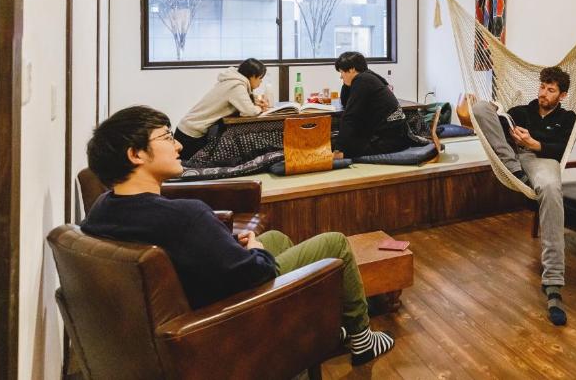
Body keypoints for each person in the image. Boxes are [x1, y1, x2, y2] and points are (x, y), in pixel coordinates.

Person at [82, 106, 394, 366]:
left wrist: (235, 245)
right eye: (166, 138)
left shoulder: (101, 210)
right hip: (223, 316)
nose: (178, 145)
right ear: (136, 154)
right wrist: (254, 250)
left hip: (186, 300)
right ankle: (362, 340)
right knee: (335, 243)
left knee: (277, 239)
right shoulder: (185, 216)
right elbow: (256, 272)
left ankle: (312, 324)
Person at [469, 66, 576, 326]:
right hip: (514, 159)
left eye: (550, 90)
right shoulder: (522, 111)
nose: (543, 93)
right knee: (481, 108)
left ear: (562, 95)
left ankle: (552, 282)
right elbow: (495, 120)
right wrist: (493, 109)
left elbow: (563, 149)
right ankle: (516, 171)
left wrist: (534, 143)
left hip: (542, 160)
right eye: (542, 87)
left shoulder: (568, 117)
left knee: (551, 190)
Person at [333, 51, 431, 158]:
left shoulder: (362, 81)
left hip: (390, 140)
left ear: (352, 69)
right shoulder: (369, 76)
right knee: (347, 140)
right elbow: (345, 102)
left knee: (343, 148)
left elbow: (350, 115)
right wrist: (347, 83)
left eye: (341, 72)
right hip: (398, 136)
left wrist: (339, 149)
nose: (341, 77)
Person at [175, 58, 271, 160]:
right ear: (252, 76)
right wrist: (260, 108)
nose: (261, 82)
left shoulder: (233, 81)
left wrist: (256, 102)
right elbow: (249, 111)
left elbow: (243, 100)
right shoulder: (236, 85)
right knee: (186, 168)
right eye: (260, 78)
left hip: (188, 129)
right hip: (189, 135)